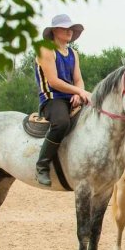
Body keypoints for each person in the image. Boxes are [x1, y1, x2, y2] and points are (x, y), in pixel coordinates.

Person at [34, 14, 92, 186]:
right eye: (66, 28)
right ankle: (42, 165)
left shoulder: (73, 53)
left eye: (71, 28)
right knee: (62, 123)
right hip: (52, 98)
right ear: (54, 31)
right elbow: (54, 81)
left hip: (71, 97)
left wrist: (78, 93)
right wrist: (79, 92)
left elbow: (78, 79)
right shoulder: (46, 50)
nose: (70, 31)